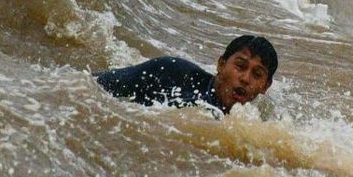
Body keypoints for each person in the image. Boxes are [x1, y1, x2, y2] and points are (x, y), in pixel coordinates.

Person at [94, 35, 278, 114]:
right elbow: (92, 84)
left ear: (265, 86)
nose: (245, 79)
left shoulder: (257, 120)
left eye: (257, 74)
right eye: (240, 66)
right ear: (221, 64)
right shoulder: (170, 72)